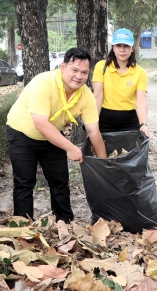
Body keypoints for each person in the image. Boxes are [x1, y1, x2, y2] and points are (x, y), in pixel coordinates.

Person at [6, 47, 107, 222]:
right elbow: (41, 123)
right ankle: (22, 228)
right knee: (24, 183)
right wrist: (71, 148)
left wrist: (105, 165)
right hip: (22, 133)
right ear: (63, 67)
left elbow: (93, 131)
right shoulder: (43, 83)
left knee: (59, 182)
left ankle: (65, 224)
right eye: (74, 70)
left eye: (84, 72)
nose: (79, 76)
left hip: (51, 137)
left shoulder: (86, 96)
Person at [92, 28, 150, 137]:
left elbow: (141, 101)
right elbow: (98, 96)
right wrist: (93, 122)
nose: (122, 50)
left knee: (131, 153)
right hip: (105, 119)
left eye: (126, 46)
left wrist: (143, 124)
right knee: (102, 153)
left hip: (129, 121)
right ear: (113, 47)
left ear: (132, 48)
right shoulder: (101, 67)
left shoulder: (140, 72)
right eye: (118, 46)